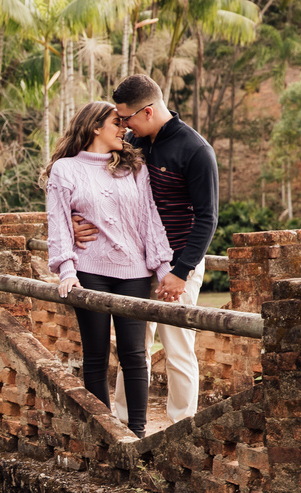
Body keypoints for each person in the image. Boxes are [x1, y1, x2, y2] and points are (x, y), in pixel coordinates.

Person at [74, 74, 219, 425]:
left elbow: (208, 218)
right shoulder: (135, 146)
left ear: (149, 111)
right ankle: (124, 424)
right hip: (135, 264)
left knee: (177, 348)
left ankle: (182, 427)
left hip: (177, 264)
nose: (123, 126)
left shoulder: (195, 150)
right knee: (133, 349)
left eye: (127, 119)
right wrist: (75, 222)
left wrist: (180, 272)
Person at [43, 101, 175, 438]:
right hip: (90, 272)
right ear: (95, 127)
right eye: (116, 123)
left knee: (135, 353)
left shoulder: (133, 168)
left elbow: (149, 220)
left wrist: (162, 270)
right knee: (96, 354)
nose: (124, 129)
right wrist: (67, 270)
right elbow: (58, 223)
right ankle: (103, 432)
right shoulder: (65, 170)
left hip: (134, 272)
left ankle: (137, 432)